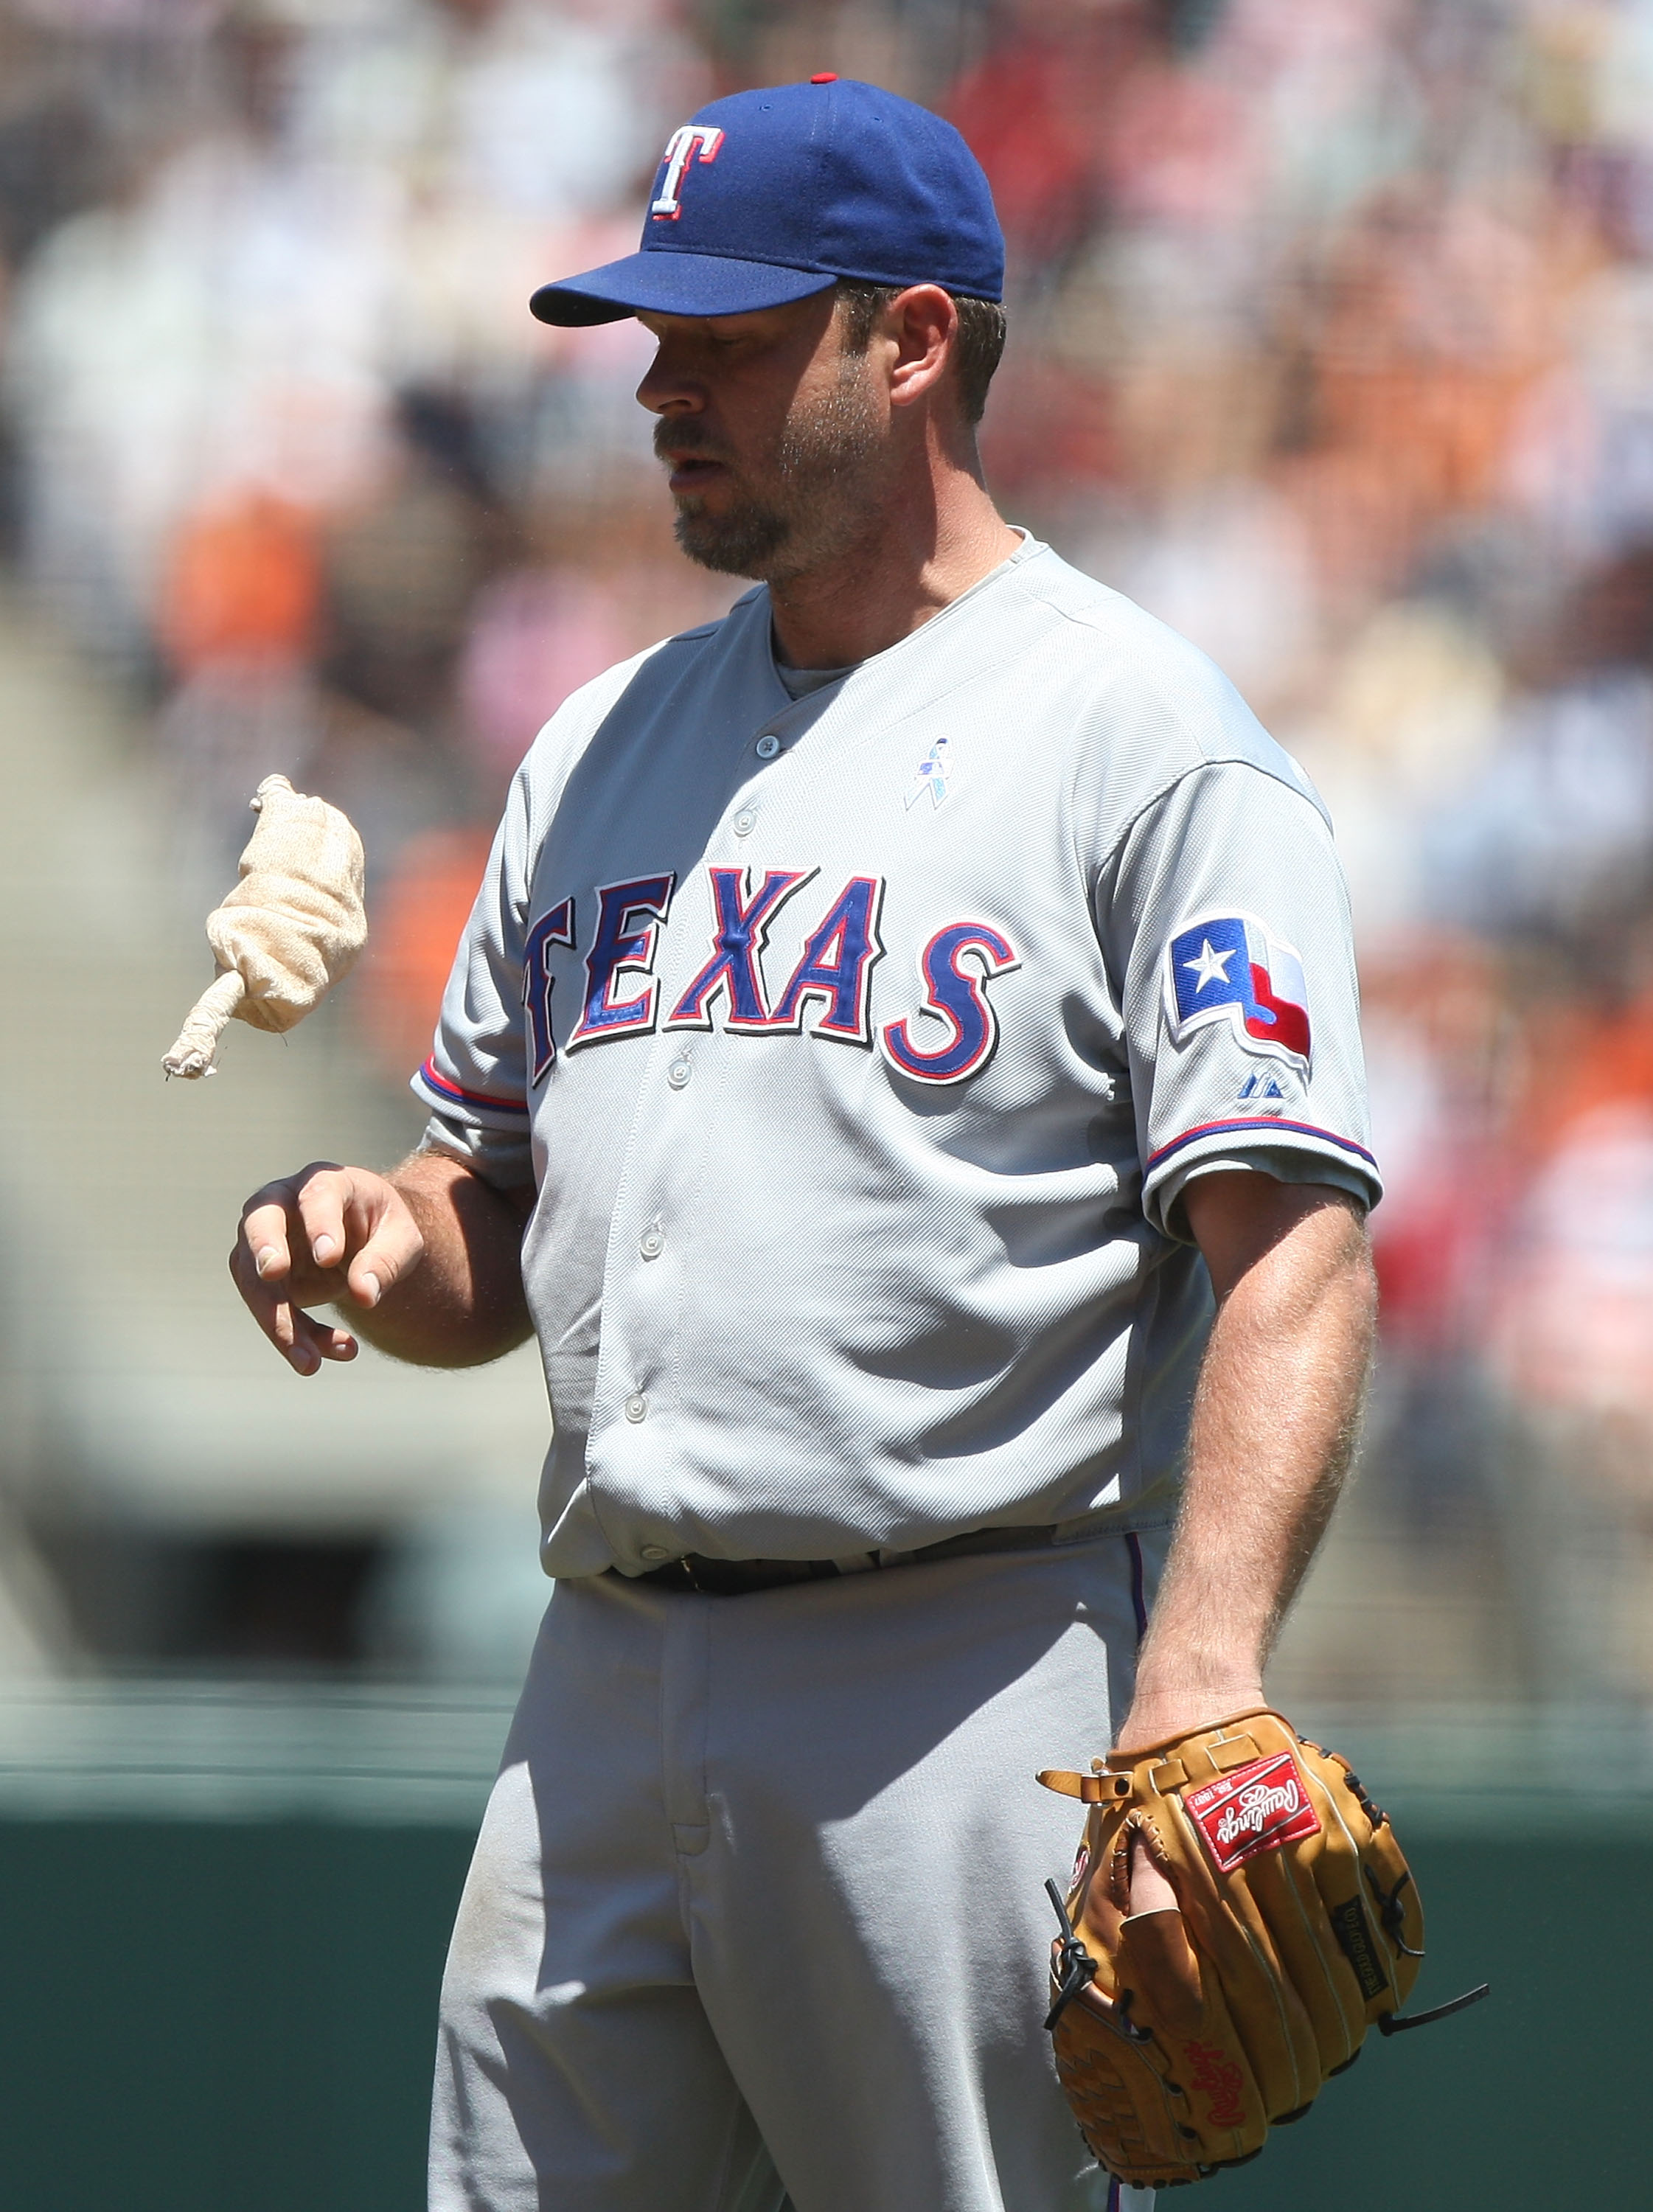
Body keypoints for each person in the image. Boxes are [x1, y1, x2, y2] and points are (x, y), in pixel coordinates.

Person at [230, 77, 1379, 2212]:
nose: (664, 390)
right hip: (599, 1671)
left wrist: (1199, 1675)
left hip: (955, 1668)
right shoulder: (600, 743)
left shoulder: (1139, 742)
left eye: (732, 341)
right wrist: (367, 1246)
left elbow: (1289, 1247)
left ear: (914, 340)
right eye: (654, 343)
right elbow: (482, 1216)